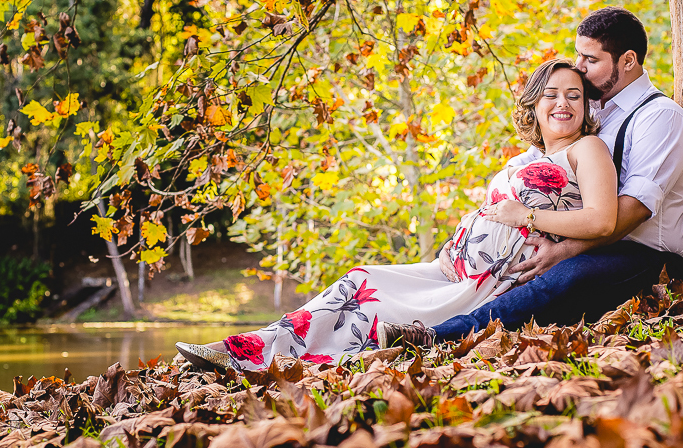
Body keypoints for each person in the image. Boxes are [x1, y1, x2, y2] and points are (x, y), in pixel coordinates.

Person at [175, 59, 618, 371]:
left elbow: (602, 220)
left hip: (494, 283)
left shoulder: (587, 148)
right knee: (358, 280)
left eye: (574, 95)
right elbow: (491, 211)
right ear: (534, 105)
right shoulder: (526, 155)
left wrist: (526, 216)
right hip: (453, 269)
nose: (563, 104)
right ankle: (242, 348)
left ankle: (267, 358)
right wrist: (456, 242)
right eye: (552, 95)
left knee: (371, 307)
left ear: (585, 107)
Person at [377, 7, 683, 350]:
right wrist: (464, 238)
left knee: (565, 277)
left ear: (628, 60)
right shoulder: (594, 112)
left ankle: (437, 336)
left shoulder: (660, 118)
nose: (579, 67)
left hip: (644, 256)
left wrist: (564, 250)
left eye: (589, 59)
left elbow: (633, 210)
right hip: (587, 241)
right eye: (578, 55)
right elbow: (524, 171)